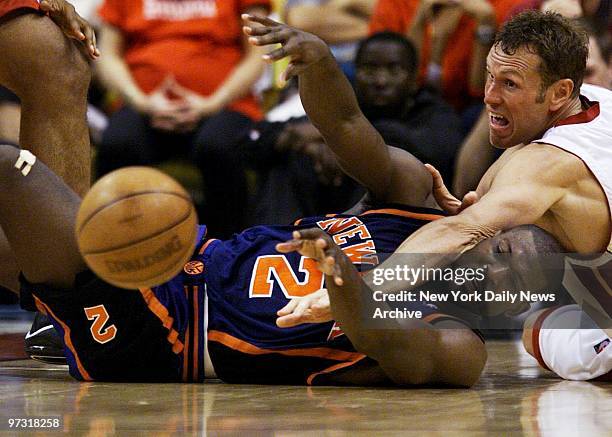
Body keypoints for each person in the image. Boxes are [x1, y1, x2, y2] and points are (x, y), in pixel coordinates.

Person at [245, 11, 612, 380]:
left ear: (560, 92)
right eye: (489, 76)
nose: (489, 96)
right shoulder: (597, 101)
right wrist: (478, 204)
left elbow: (462, 231)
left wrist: (357, 291)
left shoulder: (546, 163)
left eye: (510, 84)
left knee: (545, 331)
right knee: (547, 325)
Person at [94, 0, 270, 239]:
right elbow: (108, 56)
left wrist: (214, 103)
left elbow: (257, 55)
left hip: (227, 104)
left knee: (218, 148)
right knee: (118, 144)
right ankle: (117, 249)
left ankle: (229, 251)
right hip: (144, 105)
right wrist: (141, 102)